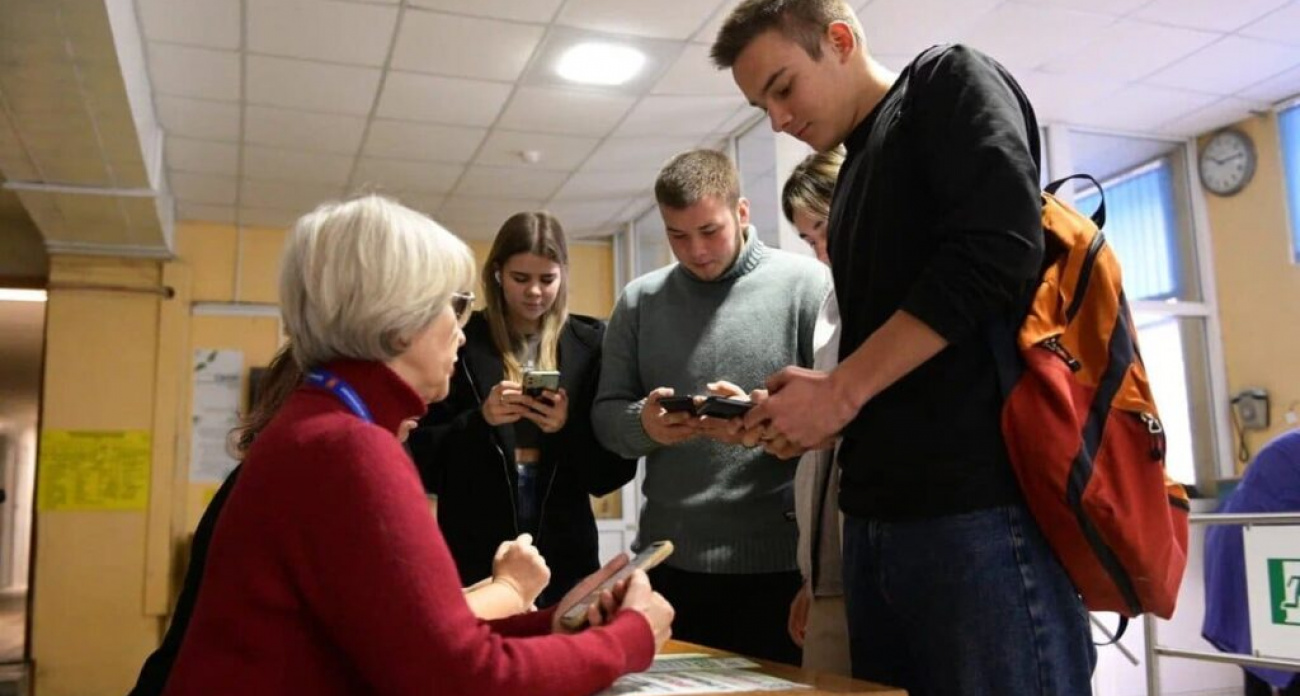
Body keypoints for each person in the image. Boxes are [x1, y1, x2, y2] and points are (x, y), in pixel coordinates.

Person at [712, 3, 1095, 694]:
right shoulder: (855, 174)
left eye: (782, 86)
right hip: (877, 525)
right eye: (759, 103)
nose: (776, 119)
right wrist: (808, 408)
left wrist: (842, 391)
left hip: (977, 511)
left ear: (839, 40)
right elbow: (888, 361)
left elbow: (1000, 250)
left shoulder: (946, 80)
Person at [159, 195, 673, 696]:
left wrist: (554, 624)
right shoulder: (351, 448)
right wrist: (628, 637)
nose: (462, 333)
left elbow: (413, 647)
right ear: (399, 321)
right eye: (453, 306)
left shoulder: (319, 423)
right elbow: (457, 676)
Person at [592, 148, 830, 665]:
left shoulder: (809, 285)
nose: (695, 250)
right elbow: (607, 417)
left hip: (781, 569)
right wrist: (646, 425)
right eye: (677, 235)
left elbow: (837, 428)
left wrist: (769, 419)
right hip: (669, 565)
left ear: (742, 212)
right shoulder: (639, 300)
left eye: (709, 230)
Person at [408, 211, 637, 608]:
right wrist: (481, 420)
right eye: (521, 278)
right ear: (497, 274)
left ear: (563, 274)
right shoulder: (461, 342)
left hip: (566, 549)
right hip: (475, 548)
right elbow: (422, 458)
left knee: (564, 655)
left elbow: (613, 470)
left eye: (547, 279)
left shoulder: (591, 344)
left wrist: (567, 427)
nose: (534, 292)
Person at [778, 148, 849, 675]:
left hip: (872, 559)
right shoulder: (834, 302)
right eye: (808, 240)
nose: (821, 253)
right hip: (829, 566)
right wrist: (813, 576)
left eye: (823, 229)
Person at [1203, 429, 1300, 695]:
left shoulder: (1286, 447)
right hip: (1259, 546)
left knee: (1259, 653)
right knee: (1279, 652)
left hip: (1242, 540)